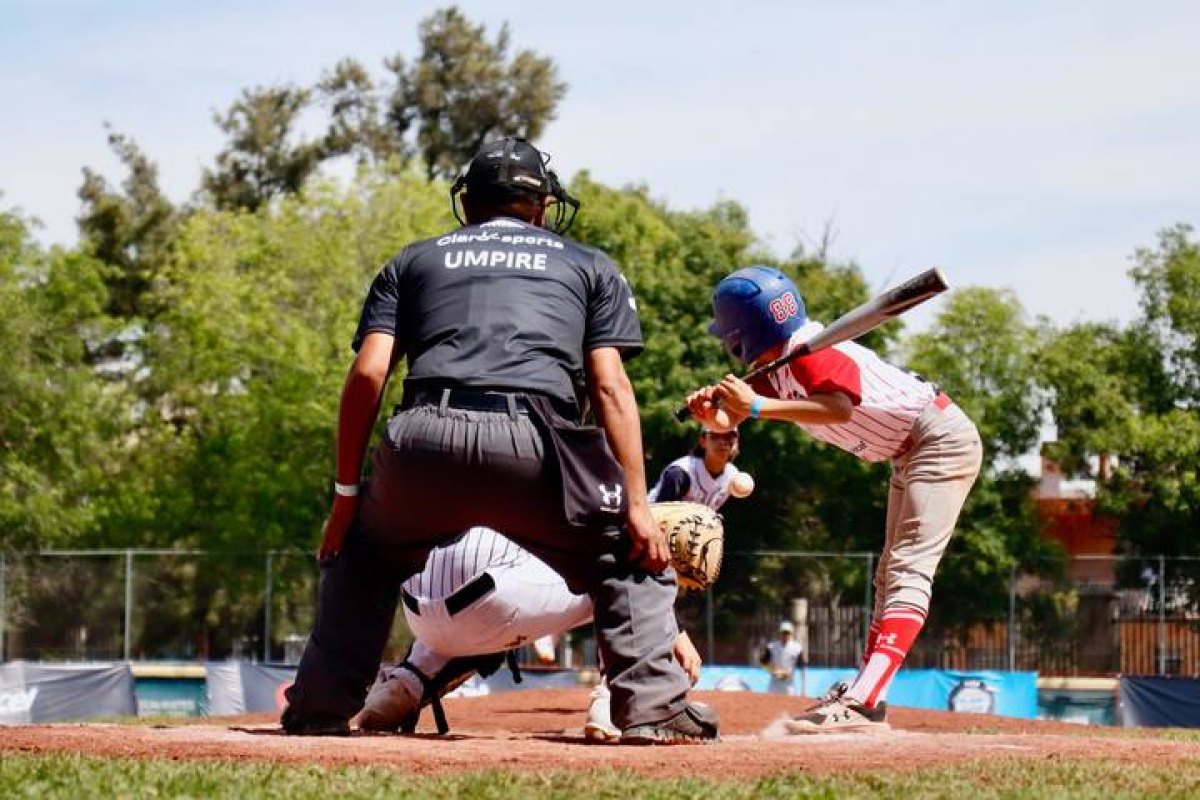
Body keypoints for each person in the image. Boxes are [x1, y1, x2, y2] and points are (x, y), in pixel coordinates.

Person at [281, 136, 717, 745]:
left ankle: (319, 710)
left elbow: (370, 374)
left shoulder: (413, 261)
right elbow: (611, 386)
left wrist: (347, 495)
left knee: (365, 556)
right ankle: (654, 710)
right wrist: (637, 507)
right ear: (541, 206)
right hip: (536, 441)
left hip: (423, 439)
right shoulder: (587, 264)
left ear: (469, 202)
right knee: (627, 555)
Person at [686, 265, 982, 734]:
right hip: (907, 451)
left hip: (937, 439)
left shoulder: (808, 353)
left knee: (907, 568)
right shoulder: (778, 365)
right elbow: (732, 419)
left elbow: (838, 407)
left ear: (740, 330)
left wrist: (756, 407)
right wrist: (714, 414)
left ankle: (862, 702)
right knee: (887, 577)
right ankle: (868, 695)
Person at [357, 425, 744, 742]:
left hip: (419, 605)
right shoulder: (567, 440)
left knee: (481, 574)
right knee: (611, 570)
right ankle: (617, 700)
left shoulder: (470, 416)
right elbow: (602, 549)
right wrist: (670, 628)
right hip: (490, 601)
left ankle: (403, 685)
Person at [759, 621, 805, 695]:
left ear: (791, 633)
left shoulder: (797, 648)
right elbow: (762, 663)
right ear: (780, 633)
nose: (785, 635)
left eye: (787, 633)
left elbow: (802, 668)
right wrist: (773, 671)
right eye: (783, 633)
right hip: (774, 684)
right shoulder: (772, 647)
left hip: (789, 685)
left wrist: (803, 689)